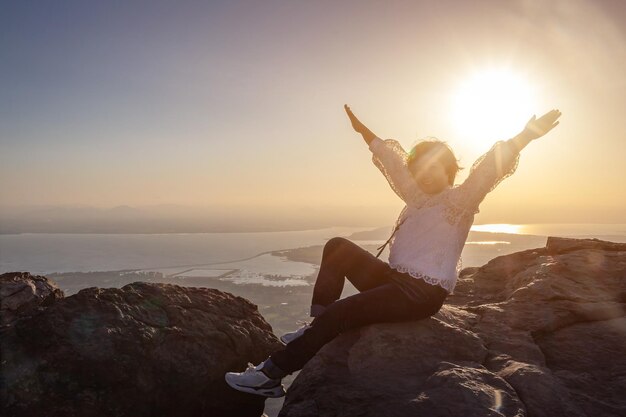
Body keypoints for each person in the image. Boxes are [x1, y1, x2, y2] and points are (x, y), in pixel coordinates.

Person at [225, 105, 561, 397]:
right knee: (337, 247)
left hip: (420, 294)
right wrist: (363, 132)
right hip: (395, 281)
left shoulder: (460, 201)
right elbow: (393, 160)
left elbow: (489, 168)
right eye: (420, 171)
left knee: (341, 315)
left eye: (434, 169)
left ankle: (270, 376)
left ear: (450, 170)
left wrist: (525, 136)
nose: (424, 176)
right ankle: (316, 323)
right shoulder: (416, 198)